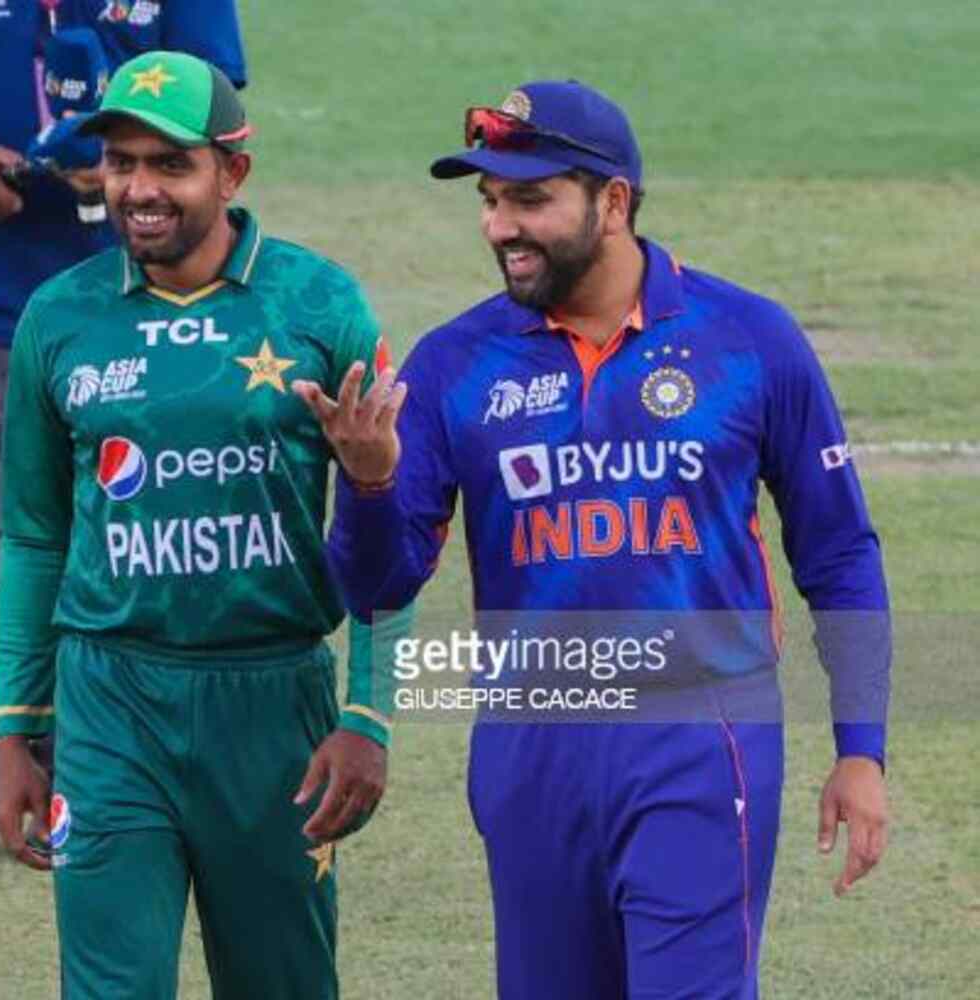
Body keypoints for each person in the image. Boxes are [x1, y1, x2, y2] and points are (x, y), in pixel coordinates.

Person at [301, 80, 892, 998]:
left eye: (530, 199)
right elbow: (377, 585)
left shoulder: (748, 339)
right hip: (531, 747)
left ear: (612, 202)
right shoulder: (455, 364)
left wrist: (862, 747)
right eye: (490, 202)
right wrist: (370, 483)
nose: (501, 227)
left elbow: (841, 552)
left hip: (702, 736)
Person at [0, 50, 403, 999]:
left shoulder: (319, 304)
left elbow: (391, 536)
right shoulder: (59, 318)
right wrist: (14, 731)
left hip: (272, 708)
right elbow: (33, 534)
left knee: (283, 983)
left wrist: (368, 716)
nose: (139, 189)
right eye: (122, 162)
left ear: (232, 172)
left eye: (170, 165)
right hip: (110, 701)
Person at [0, 0, 245, 857]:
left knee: (136, 531)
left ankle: (98, 762)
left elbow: (214, 104)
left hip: (138, 292)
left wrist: (128, 173)